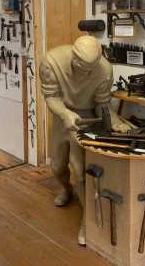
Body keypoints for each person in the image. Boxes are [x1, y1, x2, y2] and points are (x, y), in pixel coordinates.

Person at [39, 35, 131, 246]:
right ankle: (65, 189)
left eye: (93, 68)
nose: (88, 73)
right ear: (74, 57)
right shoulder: (51, 62)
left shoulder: (105, 70)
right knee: (57, 166)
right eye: (83, 68)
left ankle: (87, 220)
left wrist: (115, 121)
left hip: (88, 118)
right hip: (63, 115)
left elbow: (102, 104)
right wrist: (65, 114)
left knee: (80, 170)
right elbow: (51, 97)